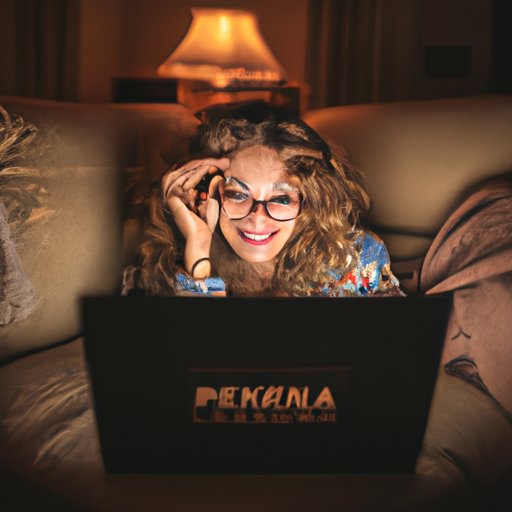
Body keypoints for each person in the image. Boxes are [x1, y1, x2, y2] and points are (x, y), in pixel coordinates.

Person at [122, 103, 403, 298]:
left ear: (308, 199)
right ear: (206, 191)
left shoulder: (354, 258)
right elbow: (192, 355)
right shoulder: (162, 263)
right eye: (238, 194)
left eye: (281, 198)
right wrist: (197, 251)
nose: (258, 217)